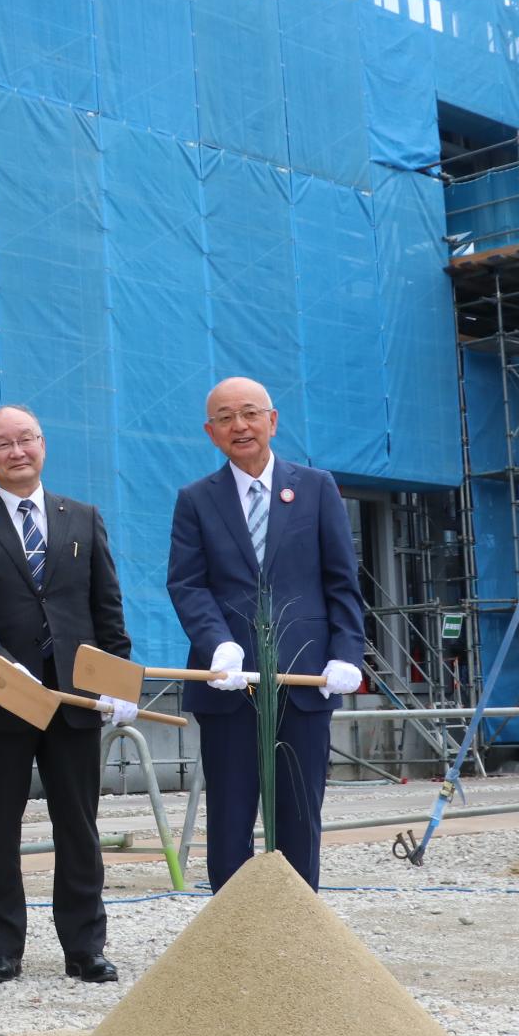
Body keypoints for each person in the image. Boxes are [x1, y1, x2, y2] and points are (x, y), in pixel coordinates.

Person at [0, 406, 136, 986]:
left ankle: (84, 948)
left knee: (78, 824)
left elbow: (107, 607)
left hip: (75, 699)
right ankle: (3, 947)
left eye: (26, 439)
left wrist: (120, 680)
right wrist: (1, 663)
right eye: (3, 444)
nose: (17, 451)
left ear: (43, 445)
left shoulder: (83, 518)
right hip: (4, 698)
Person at [165, 376, 365, 892]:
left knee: (300, 819)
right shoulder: (195, 499)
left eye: (250, 413)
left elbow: (341, 579)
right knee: (230, 822)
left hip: (304, 680)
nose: (240, 426)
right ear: (211, 432)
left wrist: (346, 651)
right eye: (226, 418)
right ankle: (232, 945)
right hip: (231, 686)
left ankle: (298, 941)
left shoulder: (317, 487)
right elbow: (187, 584)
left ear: (272, 420)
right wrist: (218, 644)